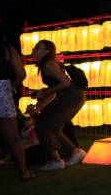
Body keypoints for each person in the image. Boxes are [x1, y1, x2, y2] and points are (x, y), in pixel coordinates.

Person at [31, 40, 86, 170]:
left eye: (38, 48)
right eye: (35, 47)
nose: (34, 50)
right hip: (73, 97)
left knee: (43, 127)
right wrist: (39, 106)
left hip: (70, 98)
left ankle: (56, 161)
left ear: (47, 51)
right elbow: (55, 89)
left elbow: (65, 83)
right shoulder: (49, 63)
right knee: (54, 128)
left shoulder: (48, 64)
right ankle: (75, 152)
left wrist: (44, 92)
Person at [0, 21, 35, 180]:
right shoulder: (8, 51)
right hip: (1, 93)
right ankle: (24, 172)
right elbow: (21, 74)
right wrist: (12, 85)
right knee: (13, 137)